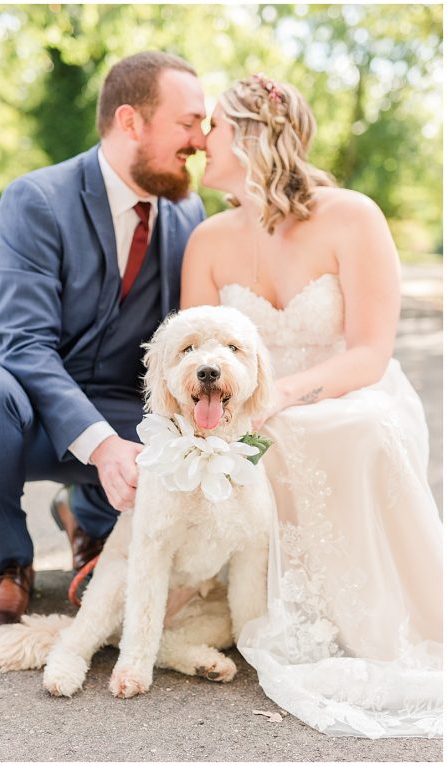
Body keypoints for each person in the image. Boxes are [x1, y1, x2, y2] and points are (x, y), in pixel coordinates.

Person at [182, 74, 443, 738]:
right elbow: (196, 356)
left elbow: (370, 353)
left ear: (245, 136)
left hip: (348, 390)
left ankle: (372, 620)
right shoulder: (207, 240)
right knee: (250, 439)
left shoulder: (352, 215)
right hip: (250, 405)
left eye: (210, 127)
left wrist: (285, 393)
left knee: (349, 431)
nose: (197, 143)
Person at [0, 51, 207, 627]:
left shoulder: (189, 214)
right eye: (188, 123)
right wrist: (102, 446)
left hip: (129, 406)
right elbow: (22, 342)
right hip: (26, 406)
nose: (200, 140)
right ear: (131, 122)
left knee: (204, 435)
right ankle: (10, 561)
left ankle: (91, 520)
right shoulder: (37, 199)